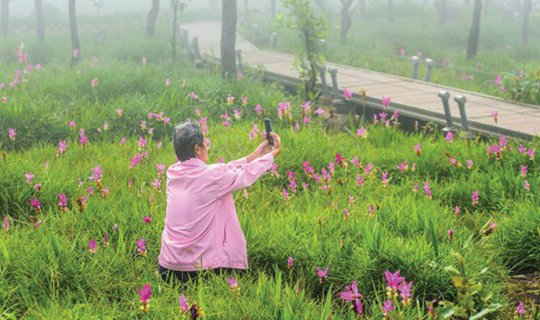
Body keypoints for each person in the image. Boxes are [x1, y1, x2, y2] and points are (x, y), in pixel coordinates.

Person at [158, 119, 282, 284]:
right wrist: (273, 154)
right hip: (197, 272)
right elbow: (242, 174)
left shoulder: (172, 173)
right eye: (204, 144)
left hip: (167, 269)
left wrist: (257, 153)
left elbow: (225, 171)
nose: (207, 147)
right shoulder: (212, 176)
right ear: (197, 148)